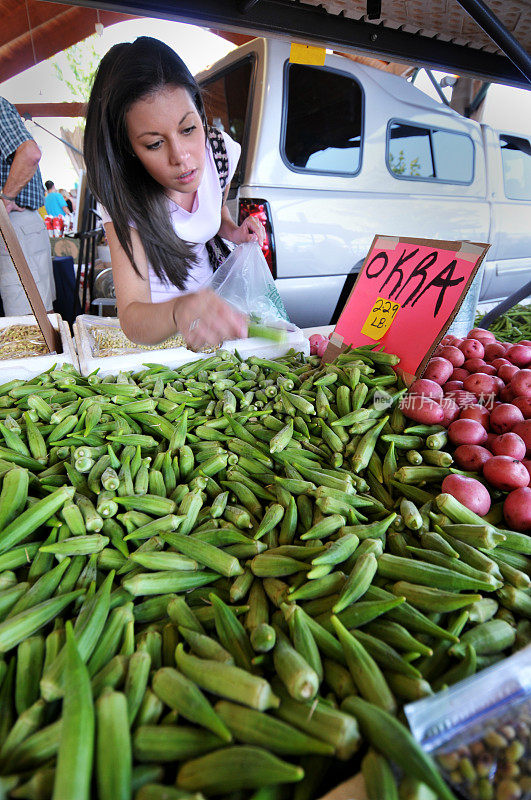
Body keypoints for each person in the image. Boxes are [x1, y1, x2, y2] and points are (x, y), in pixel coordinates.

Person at [83, 37, 265, 349]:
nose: (181, 157)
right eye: (154, 143)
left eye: (188, 129)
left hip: (213, 317)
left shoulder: (220, 153)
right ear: (128, 149)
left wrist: (233, 232)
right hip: (159, 332)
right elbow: (132, 317)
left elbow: (216, 210)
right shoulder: (122, 195)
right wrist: (180, 311)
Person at [0, 97, 56, 314]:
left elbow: (30, 154)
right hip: (14, 224)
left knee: (30, 320)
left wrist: (6, 198)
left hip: (13, 222)